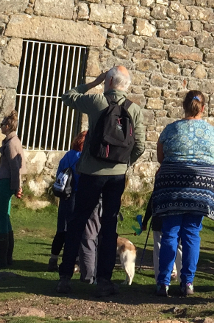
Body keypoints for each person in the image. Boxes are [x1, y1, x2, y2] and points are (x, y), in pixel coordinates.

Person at [56, 66, 146, 298]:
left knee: (77, 222)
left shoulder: (97, 102)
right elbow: (140, 146)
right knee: (109, 226)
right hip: (116, 176)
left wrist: (94, 82)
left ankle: (65, 277)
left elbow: (68, 96)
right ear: (126, 85)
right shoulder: (134, 109)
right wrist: (124, 165)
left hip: (90, 172)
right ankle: (104, 281)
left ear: (108, 82)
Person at [151, 90, 214, 297]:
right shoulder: (212, 132)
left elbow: (160, 157)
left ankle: (163, 283)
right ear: (203, 108)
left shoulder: (170, 130)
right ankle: (188, 283)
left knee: (170, 232)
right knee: (192, 233)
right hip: (201, 185)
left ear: (184, 105)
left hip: (171, 183)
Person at [0, 110, 25, 270]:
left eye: (2, 124)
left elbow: (15, 167)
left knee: (2, 218)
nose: (0, 126)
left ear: (8, 126)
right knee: (6, 218)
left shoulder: (10, 144)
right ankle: (7, 257)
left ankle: (1, 259)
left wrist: (17, 187)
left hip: (6, 182)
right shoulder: (14, 141)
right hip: (9, 182)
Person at [48, 131, 86, 270]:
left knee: (61, 230)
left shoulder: (67, 155)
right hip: (76, 195)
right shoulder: (83, 157)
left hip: (64, 196)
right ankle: (73, 262)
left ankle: (53, 260)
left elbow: (59, 174)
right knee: (74, 231)